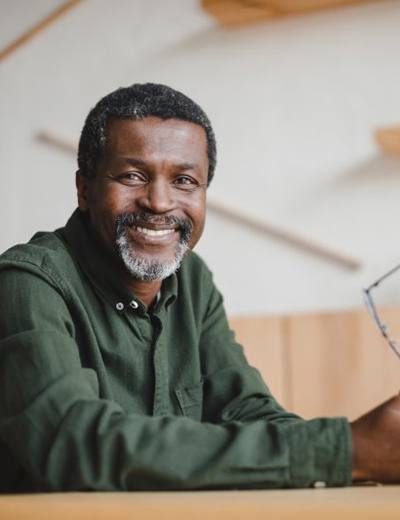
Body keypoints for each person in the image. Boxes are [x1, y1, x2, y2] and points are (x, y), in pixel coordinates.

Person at [0, 83, 399, 493]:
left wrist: (352, 465)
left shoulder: (191, 279)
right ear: (85, 190)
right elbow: (75, 444)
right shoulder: (27, 283)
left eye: (184, 180)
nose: (158, 202)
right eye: (133, 176)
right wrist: (346, 451)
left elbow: (247, 408)